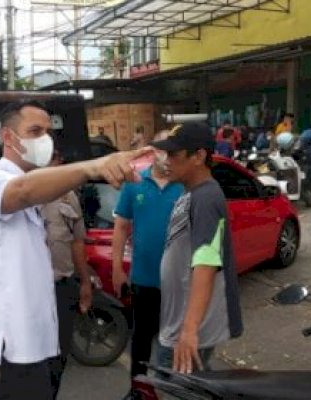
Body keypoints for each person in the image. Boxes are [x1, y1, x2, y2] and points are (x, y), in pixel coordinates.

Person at [0, 99, 150, 400]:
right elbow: (22, 191)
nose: (45, 140)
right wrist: (93, 166)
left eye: (48, 132)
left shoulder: (35, 189)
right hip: (6, 341)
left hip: (31, 339)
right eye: (35, 131)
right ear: (8, 137)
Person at [151, 121, 243, 374]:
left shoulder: (206, 198)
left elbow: (207, 261)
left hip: (189, 329)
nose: (166, 160)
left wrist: (189, 330)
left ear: (199, 156)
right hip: (177, 321)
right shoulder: (189, 192)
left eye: (173, 154)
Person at [112, 129, 184, 384]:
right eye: (162, 149)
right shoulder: (135, 183)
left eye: (172, 150)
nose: (167, 156)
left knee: (174, 340)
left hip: (179, 281)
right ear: (153, 151)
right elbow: (121, 227)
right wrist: (116, 267)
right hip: (144, 278)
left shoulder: (185, 185)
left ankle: (171, 388)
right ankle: (139, 389)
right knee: (141, 337)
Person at [40, 147, 92, 399]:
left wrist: (85, 282)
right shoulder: (20, 195)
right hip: (32, 293)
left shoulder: (68, 196)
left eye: (54, 159)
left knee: (58, 358)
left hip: (62, 287)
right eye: (45, 160)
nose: (51, 164)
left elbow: (77, 242)